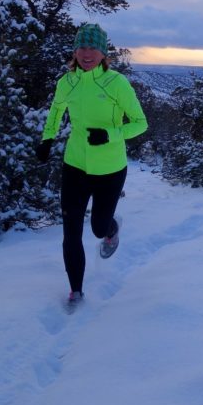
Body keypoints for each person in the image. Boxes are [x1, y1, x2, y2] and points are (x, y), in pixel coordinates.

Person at [36, 23, 147, 304]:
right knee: (71, 230)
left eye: (93, 48)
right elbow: (56, 111)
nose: (87, 54)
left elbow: (140, 123)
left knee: (98, 227)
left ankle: (111, 230)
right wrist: (47, 139)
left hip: (110, 169)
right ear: (74, 51)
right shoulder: (67, 82)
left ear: (103, 52)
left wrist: (110, 134)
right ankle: (76, 290)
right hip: (75, 165)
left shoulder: (116, 83)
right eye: (82, 47)